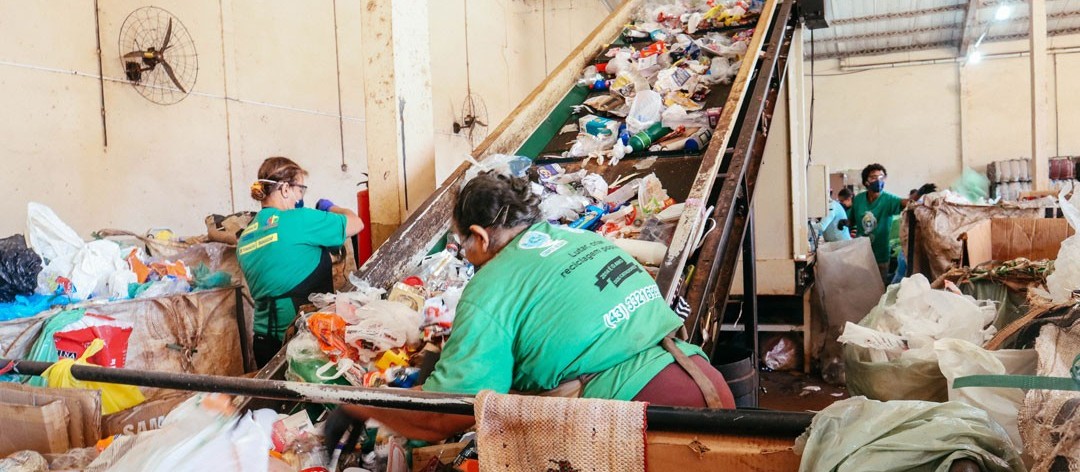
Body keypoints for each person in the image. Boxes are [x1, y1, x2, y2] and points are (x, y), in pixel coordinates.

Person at [324, 171, 735, 444]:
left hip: (642, 425)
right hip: (705, 385)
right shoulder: (583, 240)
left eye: (463, 244)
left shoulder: (489, 286)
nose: (465, 254)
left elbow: (445, 415)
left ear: (480, 236)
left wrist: (363, 403)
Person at [238, 157, 363, 367]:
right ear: (285, 189)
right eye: (300, 190)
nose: (300, 198)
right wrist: (331, 207)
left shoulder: (245, 236)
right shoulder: (298, 219)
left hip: (263, 343)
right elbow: (356, 223)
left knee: (277, 399)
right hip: (301, 340)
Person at [847, 164, 913, 283]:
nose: (878, 180)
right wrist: (844, 222)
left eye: (881, 177)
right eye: (873, 177)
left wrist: (918, 198)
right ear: (866, 182)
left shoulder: (888, 199)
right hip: (860, 253)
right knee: (860, 286)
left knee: (878, 288)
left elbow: (906, 203)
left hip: (880, 254)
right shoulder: (858, 199)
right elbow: (851, 221)